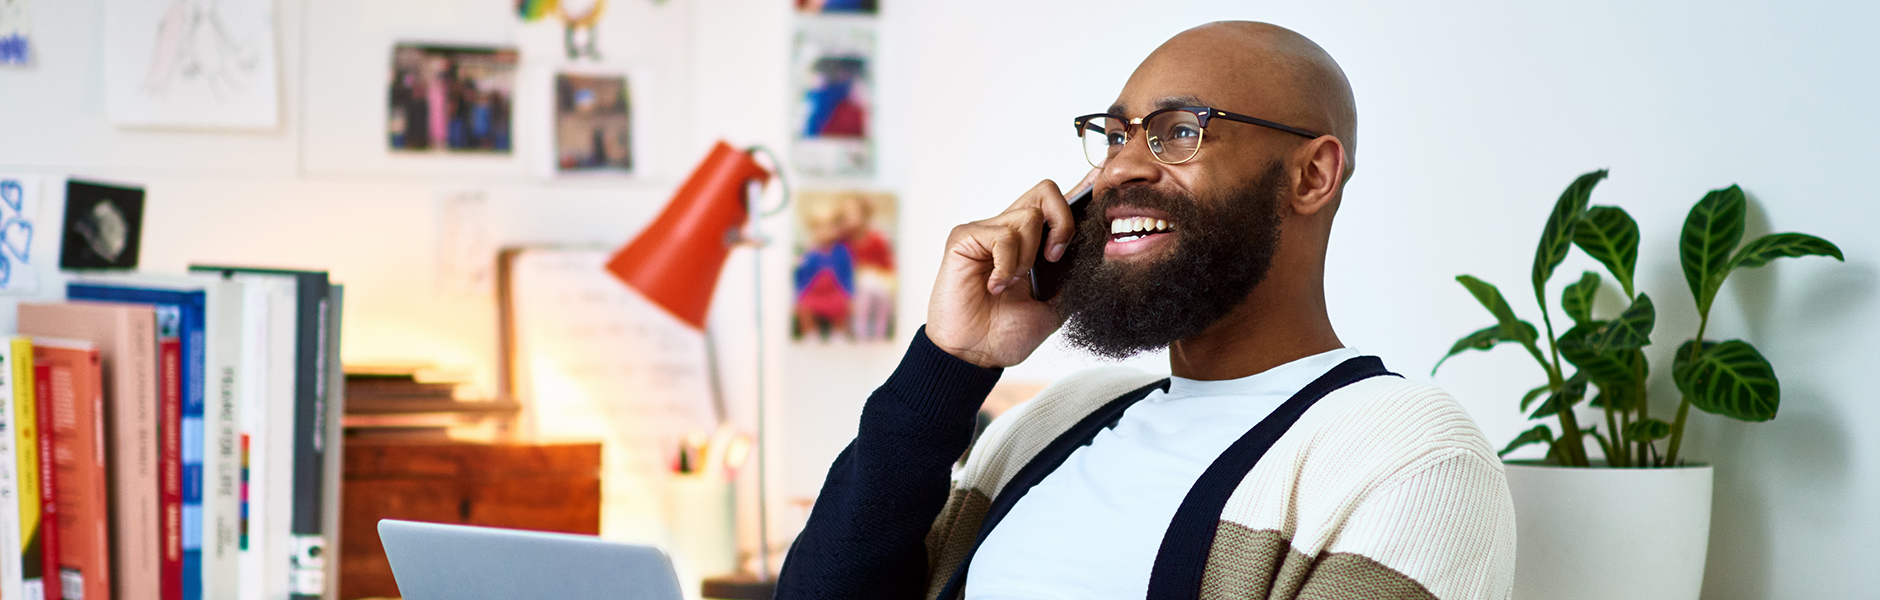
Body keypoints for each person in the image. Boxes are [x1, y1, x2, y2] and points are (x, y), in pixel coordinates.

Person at [773, 21, 1516, 600]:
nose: (1121, 166)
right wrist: (951, 364)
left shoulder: (1410, 459)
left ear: (1312, 174)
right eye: (1118, 134)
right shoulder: (1056, 422)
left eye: (1180, 131)